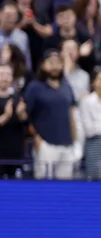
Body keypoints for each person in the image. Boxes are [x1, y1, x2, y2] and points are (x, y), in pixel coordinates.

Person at [24, 49, 78, 180]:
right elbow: (26, 116)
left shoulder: (66, 86)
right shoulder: (34, 87)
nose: (54, 66)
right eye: (51, 62)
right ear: (43, 65)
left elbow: (71, 113)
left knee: (65, 188)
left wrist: (75, 141)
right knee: (43, 186)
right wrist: (36, 138)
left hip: (67, 144)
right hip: (46, 145)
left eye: (58, 62)